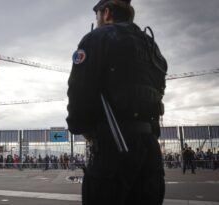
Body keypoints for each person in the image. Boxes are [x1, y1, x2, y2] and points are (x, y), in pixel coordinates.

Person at [66, 0, 167, 204]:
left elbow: (79, 91)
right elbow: (158, 92)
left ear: (107, 13)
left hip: (113, 145)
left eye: (97, 16)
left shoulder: (97, 38)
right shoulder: (152, 47)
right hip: (149, 150)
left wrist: (83, 129)